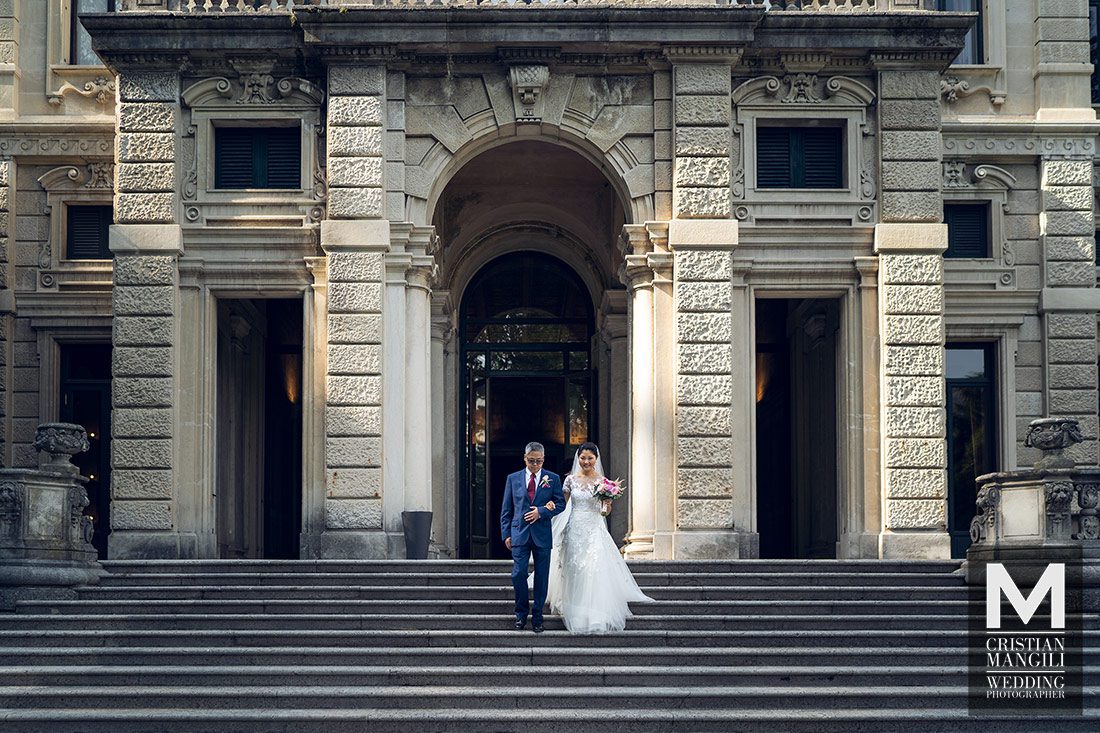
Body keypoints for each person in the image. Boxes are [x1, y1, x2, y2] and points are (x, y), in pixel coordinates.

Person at [542, 441, 653, 634]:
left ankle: (593, 613)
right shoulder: (570, 481)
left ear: (596, 459)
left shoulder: (603, 482)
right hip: (574, 528)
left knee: (592, 570)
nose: (586, 461)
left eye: (589, 458)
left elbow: (604, 513)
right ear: (578, 458)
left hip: (594, 529)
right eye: (582, 458)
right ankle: (574, 609)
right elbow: (562, 505)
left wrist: (608, 503)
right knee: (574, 568)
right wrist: (549, 508)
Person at [500, 441, 565, 633]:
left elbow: (560, 504)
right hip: (519, 533)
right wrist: (506, 534)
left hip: (542, 534)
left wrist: (542, 512)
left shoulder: (552, 478)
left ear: (543, 459)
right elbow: (506, 510)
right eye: (531, 461)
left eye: (538, 461)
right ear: (524, 459)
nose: (535, 465)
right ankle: (520, 614)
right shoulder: (513, 479)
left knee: (542, 577)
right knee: (518, 573)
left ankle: (537, 616)